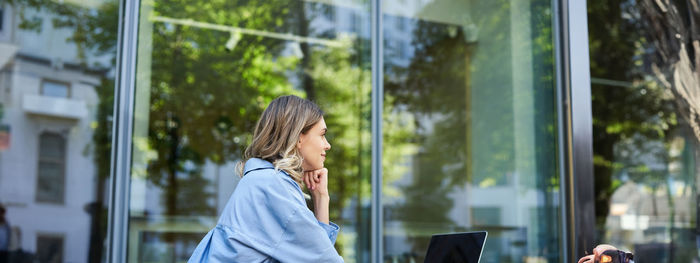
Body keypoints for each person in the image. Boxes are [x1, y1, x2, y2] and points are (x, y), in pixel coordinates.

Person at [188, 95, 343, 262]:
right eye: (322, 135)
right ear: (298, 137)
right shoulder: (273, 187)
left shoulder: (264, 180)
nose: (327, 145)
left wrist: (321, 197)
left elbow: (315, 252)